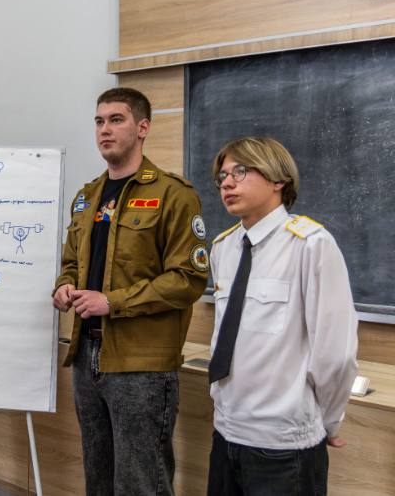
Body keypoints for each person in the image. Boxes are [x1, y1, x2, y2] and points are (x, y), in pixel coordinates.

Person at [52, 87, 209, 495]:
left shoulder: (173, 194)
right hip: (86, 355)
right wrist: (65, 285)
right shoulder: (87, 197)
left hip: (142, 364)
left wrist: (111, 302)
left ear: (143, 128)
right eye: (99, 121)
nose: (104, 130)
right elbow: (72, 262)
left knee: (141, 484)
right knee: (98, 479)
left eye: (116, 120)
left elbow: (188, 279)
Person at [207, 137, 358, 496]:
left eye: (240, 172)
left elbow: (335, 354)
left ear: (278, 179)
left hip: (283, 445)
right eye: (222, 176)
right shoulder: (223, 248)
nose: (227, 183)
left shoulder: (311, 244)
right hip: (226, 433)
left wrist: (327, 422)